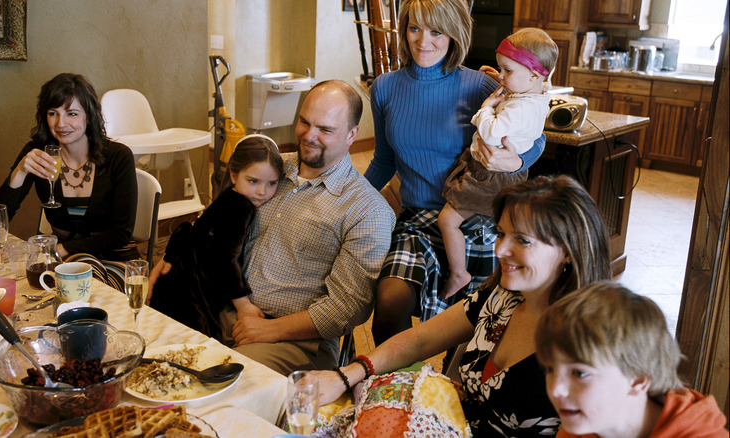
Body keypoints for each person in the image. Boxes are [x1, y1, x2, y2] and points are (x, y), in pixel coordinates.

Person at [314, 175, 613, 437]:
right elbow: (420, 339)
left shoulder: (590, 346)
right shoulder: (500, 298)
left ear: (568, 251)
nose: (500, 250)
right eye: (501, 234)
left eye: (522, 240)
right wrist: (346, 375)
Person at [150, 80, 396, 375]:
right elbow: (216, 223)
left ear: (352, 134)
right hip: (216, 305)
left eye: (325, 129)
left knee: (222, 382)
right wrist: (175, 255)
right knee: (146, 352)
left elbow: (346, 308)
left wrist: (270, 329)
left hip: (291, 339)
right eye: (304, 122)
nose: (309, 135)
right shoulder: (270, 168)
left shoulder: (368, 210)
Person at [363, 0, 547, 345]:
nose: (423, 41)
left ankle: (453, 375)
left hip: (477, 219)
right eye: (414, 28)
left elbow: (535, 135)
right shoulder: (384, 88)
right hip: (416, 220)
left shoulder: (481, 86)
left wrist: (518, 162)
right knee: (389, 301)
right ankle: (398, 379)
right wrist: (346, 199)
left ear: (454, 34)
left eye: (436, 31)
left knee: (473, 330)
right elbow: (383, 161)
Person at [439, 28, 558, 298]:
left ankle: (459, 273)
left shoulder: (519, 108)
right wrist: (503, 79)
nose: (501, 76)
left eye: (507, 70)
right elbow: (520, 102)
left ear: (534, 75)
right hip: (502, 175)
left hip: (490, 176)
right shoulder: (535, 95)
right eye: (500, 69)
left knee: (446, 220)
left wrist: (486, 107)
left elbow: (492, 132)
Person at [535, 281, 729, 438]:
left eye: (579, 373)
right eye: (550, 369)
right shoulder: (580, 427)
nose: (555, 389)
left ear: (637, 379)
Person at [0, 73, 138, 264]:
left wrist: (63, 249)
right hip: (65, 263)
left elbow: (121, 234)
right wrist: (20, 171)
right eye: (53, 113)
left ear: (89, 116)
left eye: (72, 114)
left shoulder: (119, 156)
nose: (61, 123)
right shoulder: (38, 153)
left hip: (114, 259)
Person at [147, 135, 284, 339]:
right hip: (195, 285)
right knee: (194, 338)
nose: (262, 191)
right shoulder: (241, 207)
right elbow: (225, 257)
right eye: (253, 181)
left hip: (180, 273)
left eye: (272, 183)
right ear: (234, 176)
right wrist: (243, 304)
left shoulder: (228, 196)